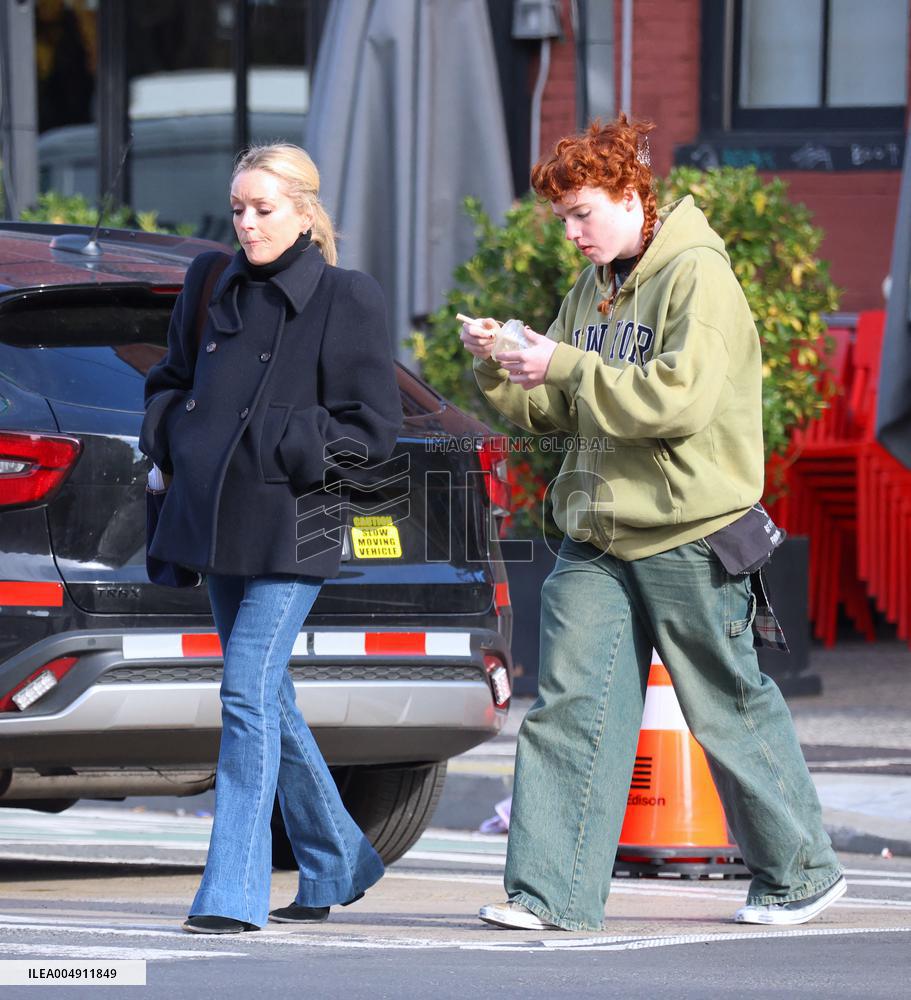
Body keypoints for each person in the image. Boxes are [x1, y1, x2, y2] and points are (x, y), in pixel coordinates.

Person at [460, 115, 845, 933]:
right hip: (596, 533)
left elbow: (679, 399)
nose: (570, 233)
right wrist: (501, 362)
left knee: (724, 705)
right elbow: (556, 405)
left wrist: (560, 362)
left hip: (686, 529)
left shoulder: (696, 274)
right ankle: (552, 895)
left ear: (634, 195)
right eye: (560, 218)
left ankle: (802, 873)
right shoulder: (592, 285)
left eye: (582, 213)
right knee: (569, 709)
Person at [140, 143, 402, 934]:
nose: (247, 224)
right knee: (267, 695)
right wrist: (175, 439)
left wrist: (283, 443)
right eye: (239, 209)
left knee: (245, 692)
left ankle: (233, 890)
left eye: (264, 209)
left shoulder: (344, 296)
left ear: (303, 211)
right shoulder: (207, 282)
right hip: (215, 515)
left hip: (297, 518)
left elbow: (373, 431)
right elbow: (169, 382)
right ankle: (337, 861)